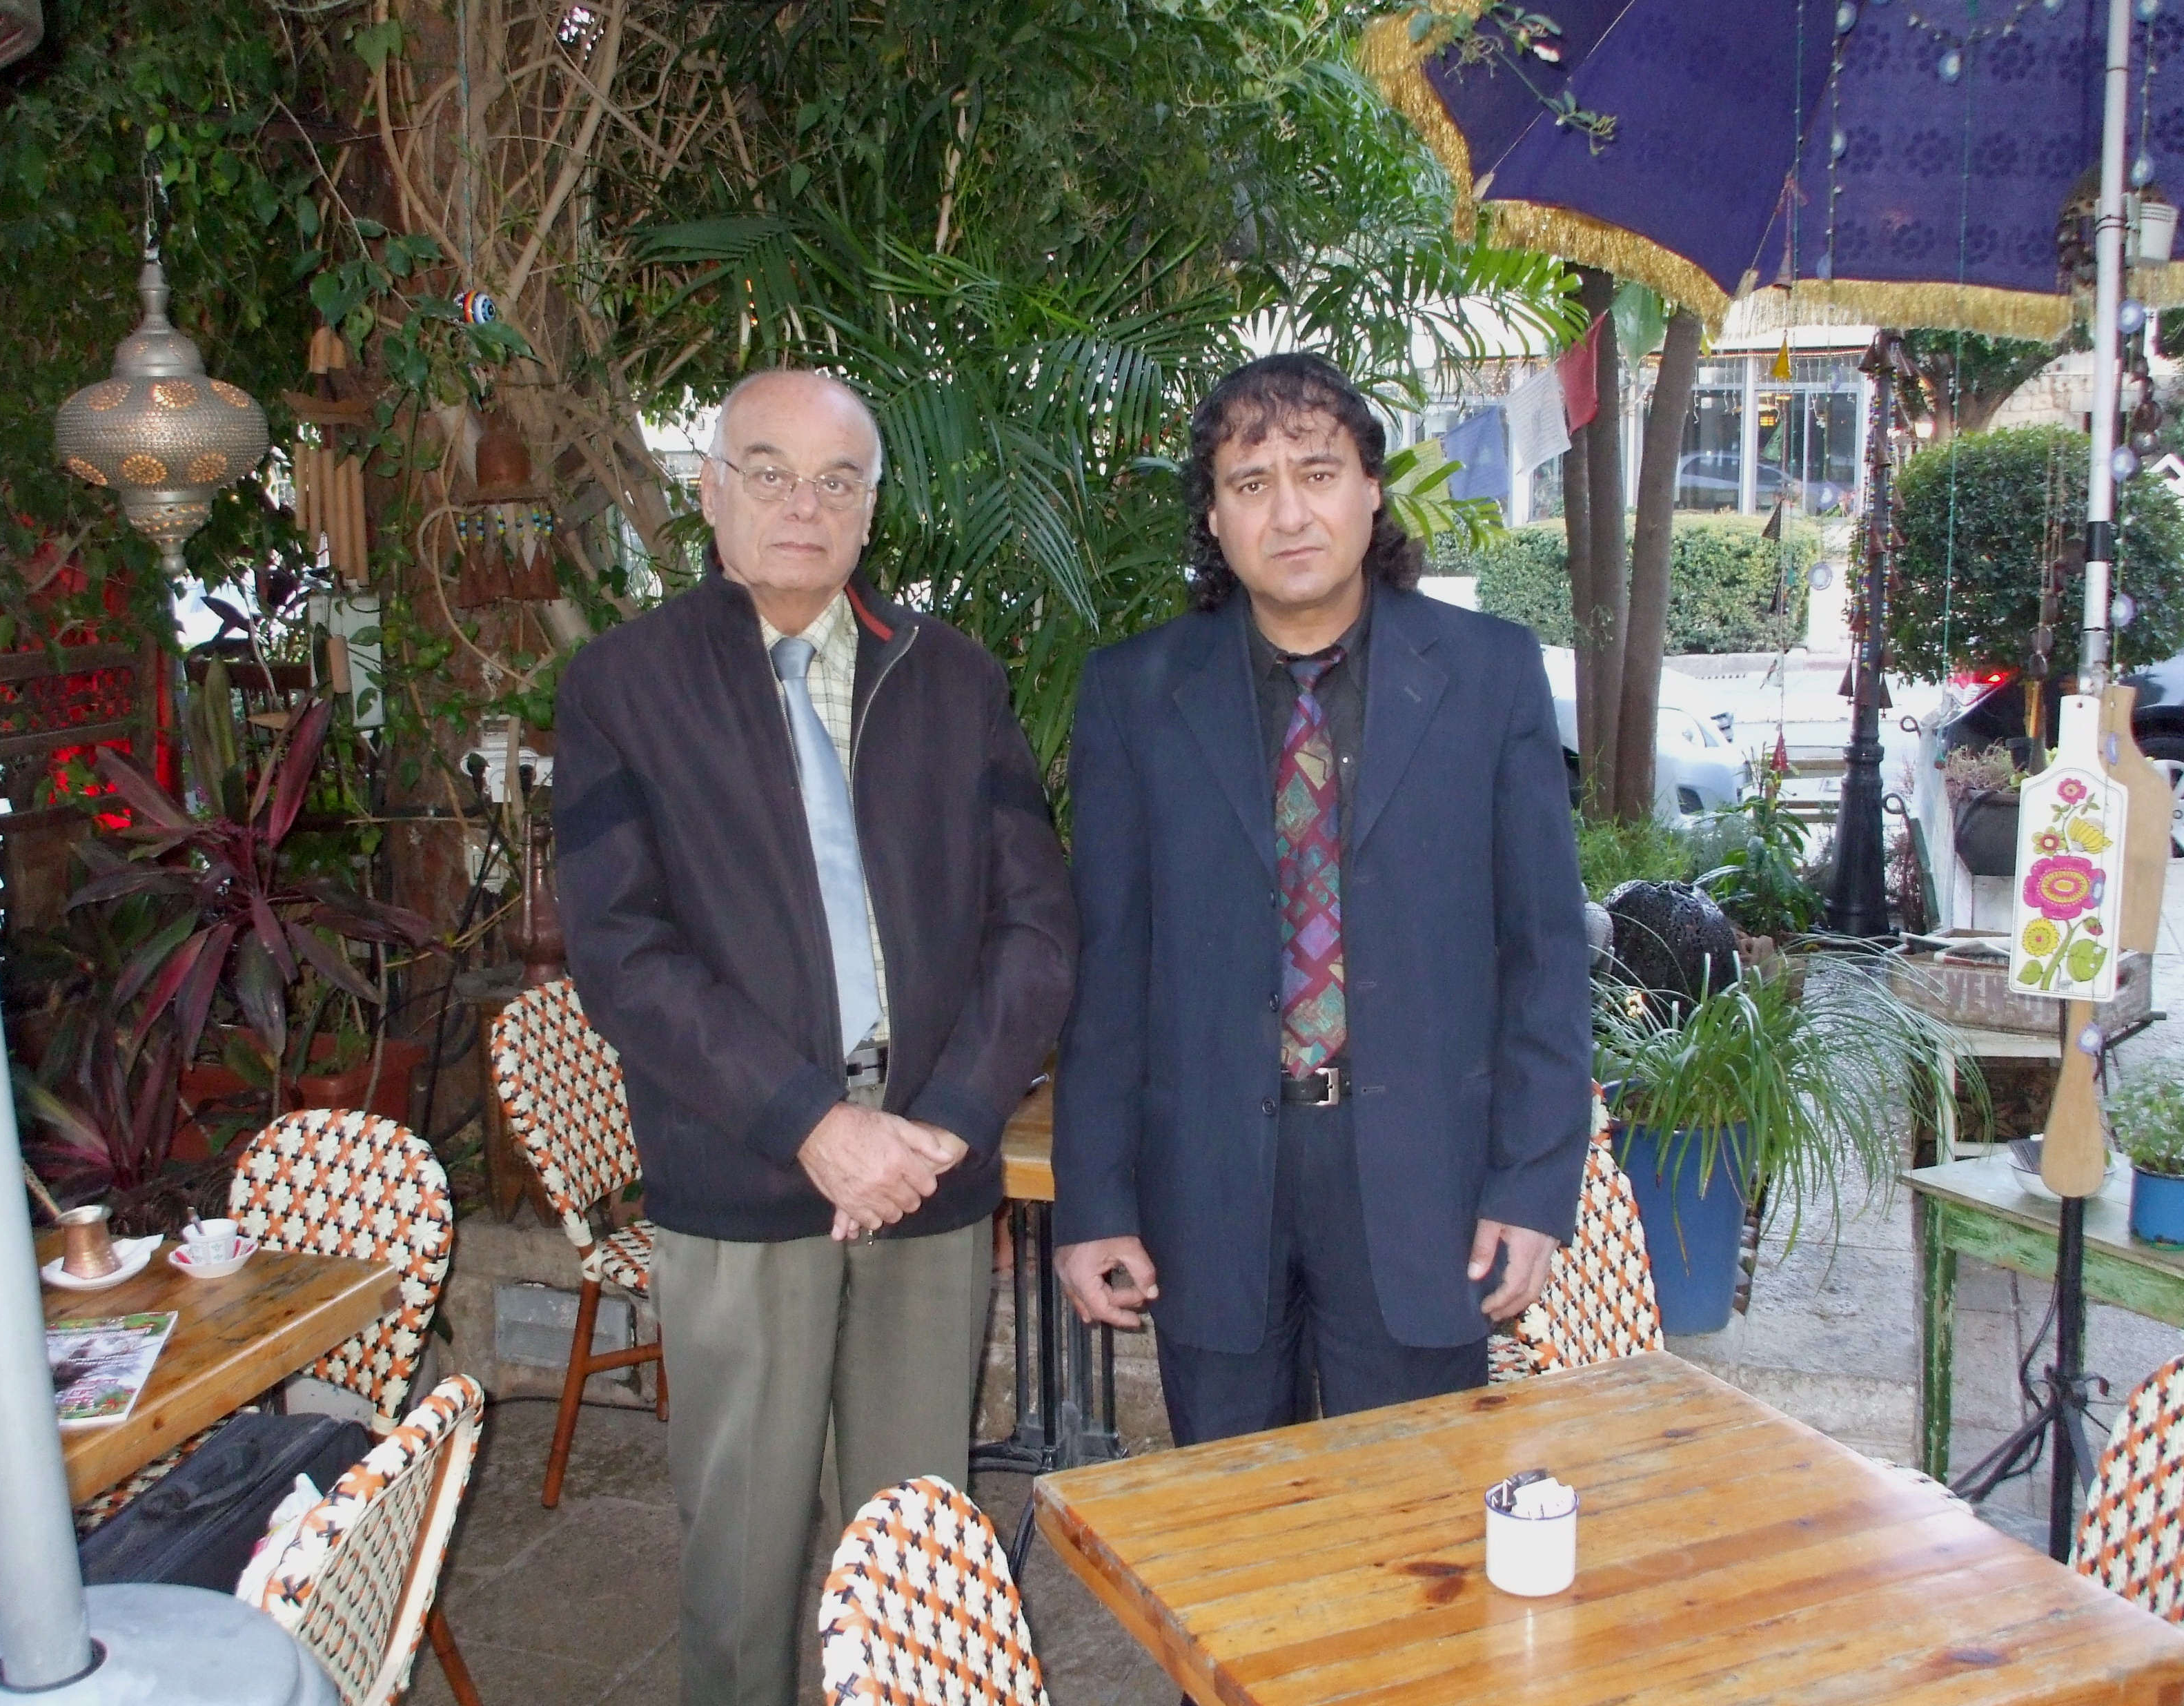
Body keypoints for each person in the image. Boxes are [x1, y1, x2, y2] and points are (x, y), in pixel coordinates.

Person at [553, 368, 1077, 1706]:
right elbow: (621, 954)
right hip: (743, 1169)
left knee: (912, 1550)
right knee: (739, 1561)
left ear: (870, 508)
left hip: (929, 1172)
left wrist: (950, 1120)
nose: (804, 505)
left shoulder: (950, 678)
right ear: (709, 490)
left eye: (837, 480)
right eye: (771, 472)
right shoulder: (624, 686)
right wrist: (811, 1123)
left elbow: (1035, 926)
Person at [1052, 352, 1591, 1448]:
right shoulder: (1133, 694)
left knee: (1414, 1516)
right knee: (1234, 1516)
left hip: (1428, 1186)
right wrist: (1095, 1203)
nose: (1290, 513)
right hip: (1209, 1189)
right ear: (1214, 517)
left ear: (1373, 489)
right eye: (1251, 484)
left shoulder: (1489, 675)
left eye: (1318, 472)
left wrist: (1532, 1186)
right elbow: (1108, 972)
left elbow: (1544, 953)